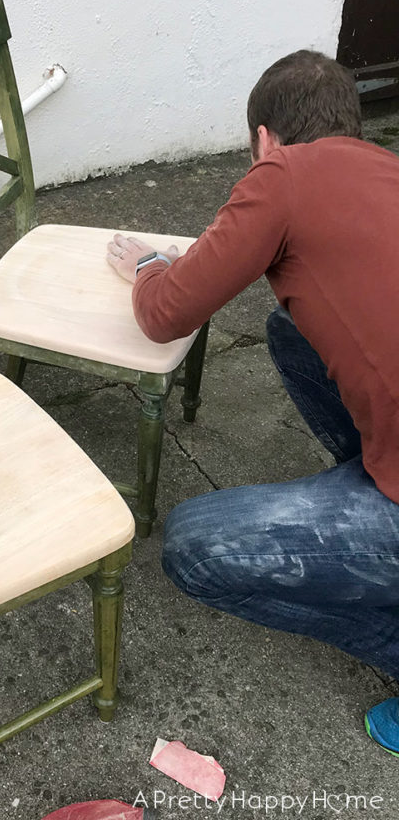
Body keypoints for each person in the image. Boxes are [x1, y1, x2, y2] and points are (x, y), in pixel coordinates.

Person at [106, 49, 399, 757]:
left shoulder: (284, 174)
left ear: (265, 139)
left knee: (194, 547)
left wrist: (147, 267)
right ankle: (371, 485)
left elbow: (166, 313)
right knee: (289, 327)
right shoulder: (385, 170)